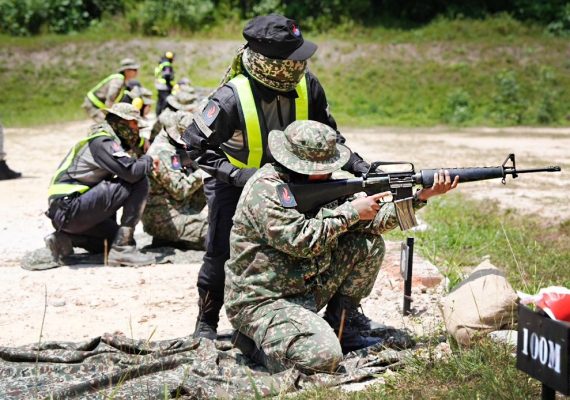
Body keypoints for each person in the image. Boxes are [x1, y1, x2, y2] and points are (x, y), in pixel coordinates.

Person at [182, 14, 371, 340]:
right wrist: (238, 175)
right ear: (270, 62)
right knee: (221, 250)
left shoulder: (309, 86)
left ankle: (339, 319)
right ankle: (207, 322)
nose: (300, 64)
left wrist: (359, 165)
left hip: (298, 183)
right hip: (235, 185)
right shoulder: (230, 98)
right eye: (292, 58)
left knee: (326, 237)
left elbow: (330, 138)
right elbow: (195, 145)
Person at [225, 120, 459, 374]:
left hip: (303, 289)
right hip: (262, 301)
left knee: (366, 244)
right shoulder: (265, 190)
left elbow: (376, 222)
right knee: (323, 358)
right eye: (324, 167)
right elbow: (300, 241)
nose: (331, 172)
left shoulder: (319, 185)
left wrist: (420, 197)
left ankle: (344, 327)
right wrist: (351, 212)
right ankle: (255, 346)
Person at [44, 103, 159, 267]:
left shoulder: (104, 140)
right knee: (139, 179)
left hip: (67, 214)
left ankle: (65, 239)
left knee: (111, 240)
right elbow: (132, 173)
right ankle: (123, 249)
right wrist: (148, 160)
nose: (136, 129)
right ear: (121, 122)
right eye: (134, 124)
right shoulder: (102, 141)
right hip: (70, 209)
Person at [142, 112, 208, 250]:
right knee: (216, 233)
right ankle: (170, 238)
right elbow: (180, 190)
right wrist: (204, 171)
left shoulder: (173, 149)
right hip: (165, 220)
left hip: (179, 210)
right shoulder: (163, 152)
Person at [82, 58, 140, 123]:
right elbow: (111, 97)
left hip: (98, 106)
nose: (137, 72)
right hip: (93, 105)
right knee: (107, 125)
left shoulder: (124, 81)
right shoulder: (118, 79)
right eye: (134, 70)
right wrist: (110, 114)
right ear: (127, 70)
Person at [154, 51, 175, 116]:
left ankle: (158, 115)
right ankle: (163, 116)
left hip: (159, 85)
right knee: (166, 101)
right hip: (165, 86)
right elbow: (167, 75)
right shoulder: (167, 64)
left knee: (160, 101)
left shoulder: (161, 63)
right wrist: (170, 84)